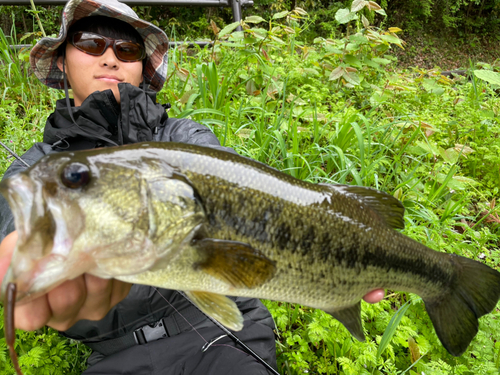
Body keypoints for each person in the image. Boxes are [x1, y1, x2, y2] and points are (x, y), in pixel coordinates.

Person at [0, 0, 385, 373]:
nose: (109, 57)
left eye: (127, 48)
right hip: (116, 357)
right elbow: (14, 235)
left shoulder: (184, 138)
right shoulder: (36, 171)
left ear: (142, 69)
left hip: (221, 336)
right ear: (63, 60)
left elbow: (252, 198)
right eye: (89, 42)